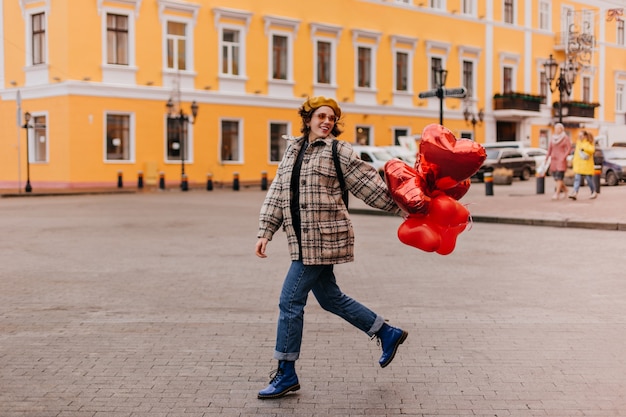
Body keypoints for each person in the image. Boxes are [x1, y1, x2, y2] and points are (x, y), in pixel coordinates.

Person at [255, 96, 408, 399]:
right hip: (301, 240)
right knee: (330, 299)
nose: (326, 122)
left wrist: (404, 207)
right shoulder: (292, 150)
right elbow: (277, 192)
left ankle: (286, 372)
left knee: (289, 302)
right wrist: (265, 231)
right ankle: (386, 332)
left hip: (324, 240)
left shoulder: (339, 151)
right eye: (321, 116)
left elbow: (369, 185)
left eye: (332, 118)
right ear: (308, 118)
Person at [545, 123, 572, 200]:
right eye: (555, 128)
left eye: (558, 128)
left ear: (561, 129)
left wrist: (564, 156)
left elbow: (569, 148)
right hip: (554, 160)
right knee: (555, 178)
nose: (557, 130)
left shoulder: (565, 138)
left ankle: (557, 193)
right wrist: (546, 157)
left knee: (559, 177)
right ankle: (566, 190)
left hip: (561, 160)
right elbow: (549, 148)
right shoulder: (552, 138)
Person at [569, 130, 597, 200]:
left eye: (581, 136)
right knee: (577, 179)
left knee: (588, 179)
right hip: (579, 165)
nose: (579, 137)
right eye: (579, 136)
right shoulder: (578, 143)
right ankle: (575, 192)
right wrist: (573, 162)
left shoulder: (589, 143)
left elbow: (592, 150)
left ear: (585, 136)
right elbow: (576, 154)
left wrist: (584, 148)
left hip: (586, 165)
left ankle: (593, 191)